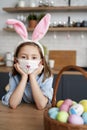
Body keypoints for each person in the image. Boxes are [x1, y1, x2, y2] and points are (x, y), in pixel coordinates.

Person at [2, 13, 53, 110]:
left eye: (34, 58)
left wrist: (32, 77)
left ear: (41, 62)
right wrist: (24, 77)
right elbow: (13, 104)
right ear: (16, 60)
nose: (29, 61)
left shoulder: (47, 76)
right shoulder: (14, 76)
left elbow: (41, 105)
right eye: (24, 57)